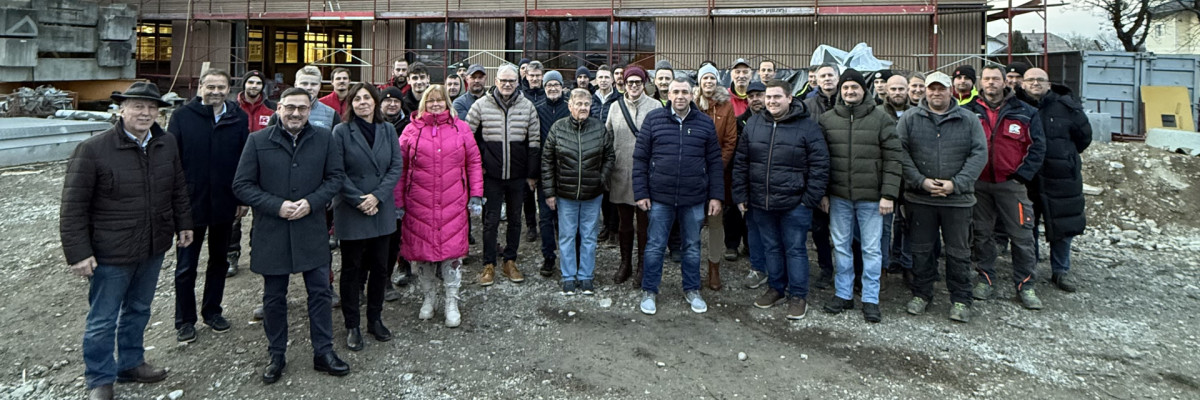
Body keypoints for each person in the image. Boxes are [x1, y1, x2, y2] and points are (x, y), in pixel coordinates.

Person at [62, 82, 193, 400]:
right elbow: (73, 206)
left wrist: (184, 224)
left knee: (139, 309)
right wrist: (79, 253)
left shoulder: (166, 143)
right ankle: (99, 378)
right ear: (121, 109)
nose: (145, 113)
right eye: (137, 106)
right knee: (102, 318)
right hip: (111, 251)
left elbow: (177, 186)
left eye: (151, 107)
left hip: (153, 244)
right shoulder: (93, 149)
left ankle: (131, 363)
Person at [233, 87, 349, 383]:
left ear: (311, 110)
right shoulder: (257, 141)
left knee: (320, 294)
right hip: (272, 230)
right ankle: (276, 355)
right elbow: (242, 185)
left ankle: (323, 352)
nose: (296, 113)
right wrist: (276, 205)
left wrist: (311, 202)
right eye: (290, 107)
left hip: (310, 228)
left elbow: (335, 178)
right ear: (279, 108)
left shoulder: (324, 138)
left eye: (302, 108)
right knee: (274, 298)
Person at [896, 71, 988, 323]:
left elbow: (979, 154)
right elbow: (900, 153)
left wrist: (955, 184)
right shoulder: (910, 119)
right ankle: (921, 294)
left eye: (941, 89)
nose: (936, 93)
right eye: (932, 88)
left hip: (957, 200)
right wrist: (920, 181)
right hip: (920, 199)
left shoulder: (968, 119)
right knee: (921, 250)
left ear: (951, 91)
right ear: (925, 91)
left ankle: (961, 299)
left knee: (959, 252)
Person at [734, 79, 829, 320]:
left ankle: (798, 295)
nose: (772, 101)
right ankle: (776, 288)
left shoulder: (807, 127)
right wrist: (742, 194)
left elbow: (820, 165)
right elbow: (741, 161)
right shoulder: (754, 123)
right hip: (761, 202)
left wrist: (809, 199)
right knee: (772, 248)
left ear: (789, 98)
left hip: (795, 203)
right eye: (769, 97)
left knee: (795, 249)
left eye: (777, 97)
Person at [167, 68, 249, 343]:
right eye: (210, 87)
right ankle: (185, 320)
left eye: (221, 87)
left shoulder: (238, 117)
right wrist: (176, 203)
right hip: (191, 204)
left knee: (218, 261)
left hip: (225, 203)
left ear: (229, 89)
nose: (215, 92)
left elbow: (242, 161)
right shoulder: (182, 117)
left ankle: (212, 311)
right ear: (200, 86)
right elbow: (173, 163)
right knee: (186, 266)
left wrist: (240, 198)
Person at [633, 77, 724, 315]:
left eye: (685, 91)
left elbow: (714, 162)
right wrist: (641, 192)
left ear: (692, 95)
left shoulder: (705, 123)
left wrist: (716, 196)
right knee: (655, 246)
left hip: (694, 198)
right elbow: (640, 158)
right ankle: (650, 291)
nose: (680, 96)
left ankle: (692, 289)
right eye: (676, 92)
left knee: (692, 246)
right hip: (660, 197)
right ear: (669, 95)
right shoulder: (654, 120)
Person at [817, 69, 902, 323]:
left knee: (872, 249)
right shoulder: (828, 120)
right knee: (841, 247)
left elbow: (893, 159)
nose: (850, 91)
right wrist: (823, 193)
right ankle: (843, 294)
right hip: (839, 197)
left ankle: (870, 298)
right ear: (840, 92)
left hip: (872, 198)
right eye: (845, 88)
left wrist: (888, 194)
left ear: (864, 90)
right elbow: (821, 161)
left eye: (854, 87)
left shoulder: (881, 118)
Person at [399, 84, 483, 328]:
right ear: (423, 103)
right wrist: (397, 201)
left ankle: (451, 301)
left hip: (453, 201)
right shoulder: (411, 131)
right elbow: (401, 167)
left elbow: (474, 162)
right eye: (431, 100)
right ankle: (428, 298)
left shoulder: (461, 128)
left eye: (440, 100)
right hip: (419, 202)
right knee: (423, 254)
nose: (436, 104)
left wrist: (476, 194)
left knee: (452, 255)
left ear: (447, 103)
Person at [962, 65, 1046, 309]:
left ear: (1004, 82)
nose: (990, 83)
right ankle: (985, 279)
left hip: (1012, 184)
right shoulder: (968, 112)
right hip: (979, 185)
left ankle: (1026, 284)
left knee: (1022, 235)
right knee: (982, 234)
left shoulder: (1025, 111)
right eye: (986, 79)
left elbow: (1038, 147)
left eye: (995, 79)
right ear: (980, 82)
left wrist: (1022, 176)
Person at [331, 83, 403, 350]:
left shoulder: (387, 130)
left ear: (376, 102)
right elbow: (336, 171)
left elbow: (396, 166)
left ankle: (375, 318)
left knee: (380, 267)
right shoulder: (340, 132)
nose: (363, 102)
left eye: (368, 98)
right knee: (351, 269)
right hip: (352, 208)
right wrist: (360, 199)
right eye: (357, 99)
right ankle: (352, 324)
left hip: (381, 208)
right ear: (351, 103)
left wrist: (377, 197)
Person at [466, 63, 540, 286]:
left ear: (518, 82)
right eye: (503, 80)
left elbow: (534, 141)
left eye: (512, 81)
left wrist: (531, 174)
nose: (507, 84)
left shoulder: (527, 107)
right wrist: (479, 165)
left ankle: (510, 260)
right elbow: (467, 138)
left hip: (518, 176)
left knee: (516, 220)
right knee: (490, 221)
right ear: (496, 81)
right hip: (491, 176)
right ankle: (489, 264)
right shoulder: (481, 105)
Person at [1018, 67, 1092, 292]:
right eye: (1030, 80)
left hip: (1060, 176)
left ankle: (1061, 271)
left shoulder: (1066, 106)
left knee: (1062, 226)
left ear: (1049, 84)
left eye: (1040, 80)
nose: (1035, 84)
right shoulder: (1015, 107)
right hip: (1027, 177)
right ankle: (1029, 270)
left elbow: (1084, 137)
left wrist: (1064, 157)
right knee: (1027, 226)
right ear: (1023, 84)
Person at [543, 88, 615, 295]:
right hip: (566, 194)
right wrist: (549, 192)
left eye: (586, 104)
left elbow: (610, 156)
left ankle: (585, 276)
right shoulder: (558, 128)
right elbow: (547, 161)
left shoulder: (599, 128)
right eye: (579, 104)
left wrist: (601, 179)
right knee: (566, 235)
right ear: (570, 106)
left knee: (589, 236)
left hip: (592, 194)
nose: (583, 108)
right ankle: (568, 276)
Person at [606, 64, 661, 286]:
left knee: (644, 224)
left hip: (648, 174)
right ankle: (625, 263)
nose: (634, 86)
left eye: (638, 82)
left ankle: (642, 266)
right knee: (624, 223)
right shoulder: (615, 108)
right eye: (630, 82)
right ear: (624, 84)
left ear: (644, 83)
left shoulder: (656, 106)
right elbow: (607, 137)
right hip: (621, 172)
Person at [695, 63, 739, 291]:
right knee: (691, 220)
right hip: (693, 173)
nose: (709, 82)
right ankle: (692, 266)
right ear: (700, 82)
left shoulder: (726, 106)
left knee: (715, 221)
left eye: (712, 78)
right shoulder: (693, 105)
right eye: (705, 78)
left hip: (717, 174)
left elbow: (730, 141)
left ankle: (714, 267)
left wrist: (715, 167)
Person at [229, 70, 276, 277]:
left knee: (261, 215)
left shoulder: (271, 109)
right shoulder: (232, 108)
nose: (254, 86)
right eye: (250, 82)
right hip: (235, 167)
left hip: (264, 169)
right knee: (234, 216)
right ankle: (231, 255)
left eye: (258, 83)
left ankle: (258, 252)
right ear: (244, 84)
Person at [802, 62, 839, 289]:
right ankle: (826, 269)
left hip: (844, 176)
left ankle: (851, 273)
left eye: (830, 75)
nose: (826, 79)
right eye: (821, 75)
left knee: (848, 233)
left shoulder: (849, 102)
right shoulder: (807, 106)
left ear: (838, 77)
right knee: (819, 229)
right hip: (816, 176)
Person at [534, 70, 571, 277]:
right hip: (544, 172)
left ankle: (568, 257)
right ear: (544, 87)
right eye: (549, 85)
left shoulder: (569, 109)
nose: (553, 88)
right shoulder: (537, 110)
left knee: (566, 218)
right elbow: (533, 142)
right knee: (546, 218)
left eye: (556, 85)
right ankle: (548, 256)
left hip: (567, 172)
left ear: (562, 87)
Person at [733, 81, 767, 288]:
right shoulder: (743, 123)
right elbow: (740, 159)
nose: (755, 99)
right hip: (752, 185)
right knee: (753, 230)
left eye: (759, 95)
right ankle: (758, 268)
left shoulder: (783, 120)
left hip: (777, 187)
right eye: (751, 95)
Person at [379, 86, 410, 300]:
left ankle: (386, 280)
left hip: (399, 191)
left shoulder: (408, 125)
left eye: (396, 101)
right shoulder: (372, 124)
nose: (392, 104)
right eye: (387, 101)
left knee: (393, 239)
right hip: (373, 189)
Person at [521, 61, 547, 242]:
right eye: (532, 75)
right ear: (526, 76)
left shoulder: (549, 94)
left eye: (538, 75)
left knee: (546, 190)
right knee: (527, 192)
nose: (535, 79)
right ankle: (531, 225)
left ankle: (549, 222)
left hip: (545, 149)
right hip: (525, 151)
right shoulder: (520, 96)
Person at [282, 66, 340, 130]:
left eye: (313, 84)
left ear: (319, 86)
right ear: (296, 85)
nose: (309, 88)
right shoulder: (281, 112)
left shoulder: (331, 114)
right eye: (304, 84)